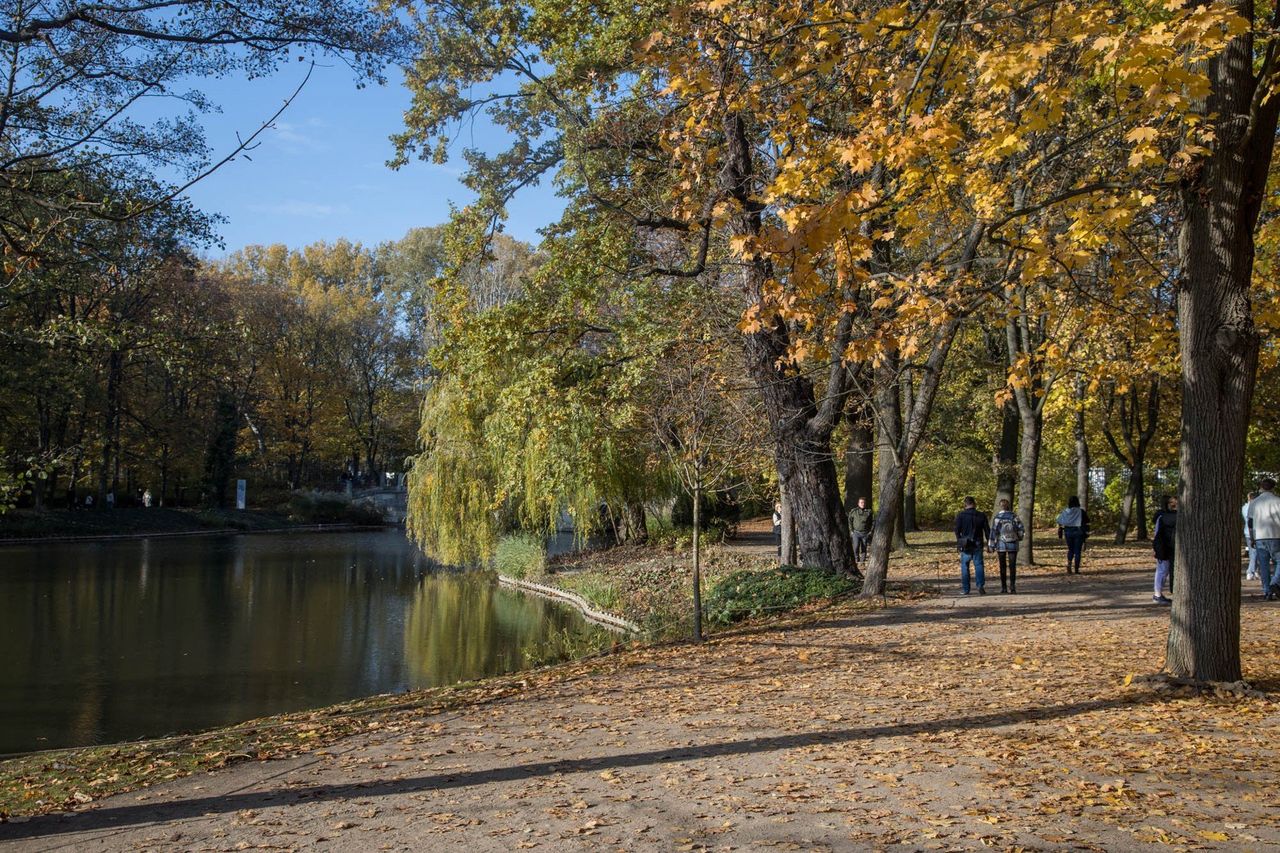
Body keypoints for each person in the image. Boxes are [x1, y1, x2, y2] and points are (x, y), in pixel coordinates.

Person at [1248, 478, 1280, 600]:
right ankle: (1275, 582)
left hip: (1260, 537)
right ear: (1273, 487)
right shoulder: (1278, 501)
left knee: (1264, 566)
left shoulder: (1254, 502)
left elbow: (1250, 522)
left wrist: (1252, 537)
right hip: (1276, 536)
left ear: (1261, 487)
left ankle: (1267, 591)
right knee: (1278, 562)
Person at [954, 496, 990, 595]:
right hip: (977, 543)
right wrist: (989, 543)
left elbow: (957, 530)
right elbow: (987, 531)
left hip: (965, 544)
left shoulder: (961, 515)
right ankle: (980, 585)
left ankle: (966, 589)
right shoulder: (981, 515)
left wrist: (959, 540)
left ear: (965, 504)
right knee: (979, 565)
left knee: (965, 566)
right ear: (974, 504)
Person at [988, 498, 1025, 594]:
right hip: (1013, 543)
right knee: (1012, 566)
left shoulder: (997, 518)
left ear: (1000, 506)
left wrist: (991, 545)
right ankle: (1012, 587)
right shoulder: (1014, 516)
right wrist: (1019, 538)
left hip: (1001, 544)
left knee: (1002, 566)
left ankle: (1004, 587)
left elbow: (993, 532)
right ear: (1008, 506)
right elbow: (1021, 529)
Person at [1152, 496, 1178, 604]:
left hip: (1165, 546)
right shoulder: (1163, 516)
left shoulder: (1163, 516)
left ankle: (1158, 594)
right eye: (1172, 502)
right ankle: (1157, 595)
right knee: (1162, 570)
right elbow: (1158, 534)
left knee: (1163, 570)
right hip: (1163, 546)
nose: (1174, 504)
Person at [1056, 496, 1090, 574]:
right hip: (1078, 532)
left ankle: (1069, 563)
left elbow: (1059, 520)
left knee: (1070, 549)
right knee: (1077, 551)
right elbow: (1087, 521)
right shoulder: (1081, 511)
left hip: (1068, 532)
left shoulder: (1065, 511)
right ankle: (1076, 569)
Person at [848, 496, 873, 569]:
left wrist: (870, 531)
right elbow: (849, 520)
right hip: (856, 533)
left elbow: (872, 522)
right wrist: (851, 530)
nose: (863, 504)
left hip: (865, 533)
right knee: (855, 547)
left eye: (864, 503)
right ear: (858, 503)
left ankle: (862, 562)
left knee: (864, 548)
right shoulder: (854, 511)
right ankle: (856, 560)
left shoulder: (869, 512)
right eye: (861, 502)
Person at [1243, 491, 1259, 582]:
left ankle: (1255, 570)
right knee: (1255, 553)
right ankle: (1250, 571)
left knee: (1252, 553)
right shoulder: (1254, 507)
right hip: (1254, 532)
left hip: (1247, 532)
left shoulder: (1244, 507)